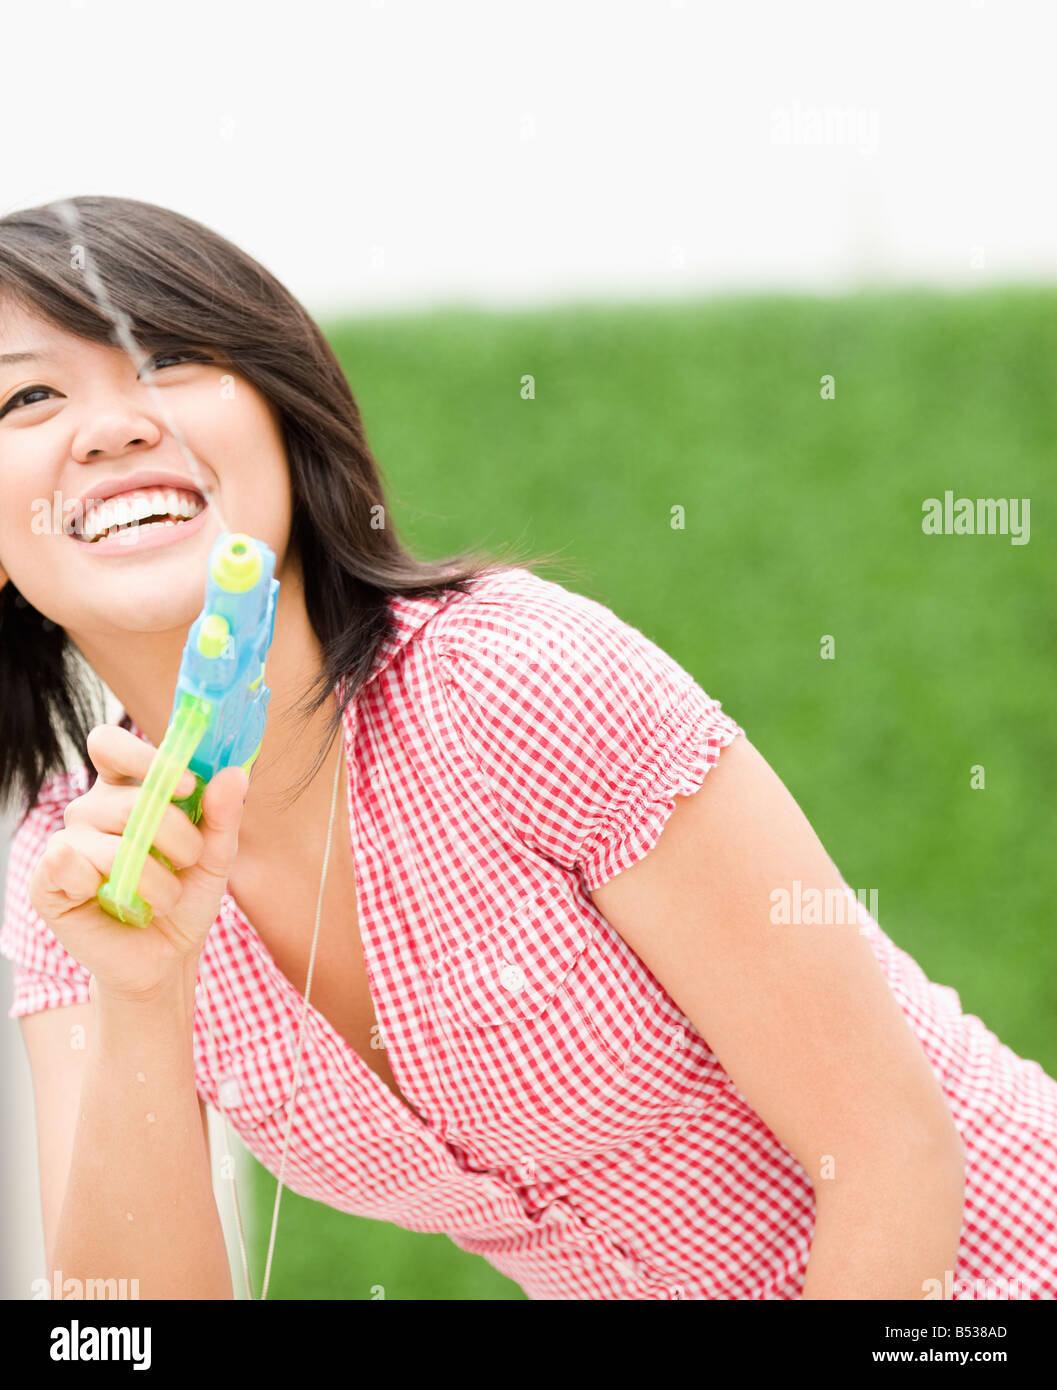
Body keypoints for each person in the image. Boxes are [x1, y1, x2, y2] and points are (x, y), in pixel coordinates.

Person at [0, 196, 1053, 1301]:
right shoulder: (70, 876)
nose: (112, 424)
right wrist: (143, 994)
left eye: (168, 357)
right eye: (27, 394)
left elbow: (887, 1151)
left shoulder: (508, 681)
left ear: (283, 416)